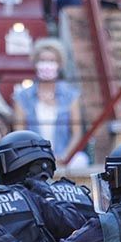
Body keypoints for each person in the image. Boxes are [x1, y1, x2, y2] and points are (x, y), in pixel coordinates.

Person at [11, 38, 85, 167]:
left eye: (52, 61)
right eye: (42, 60)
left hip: (63, 156)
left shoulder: (70, 95)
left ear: (60, 64)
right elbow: (19, 133)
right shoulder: (22, 96)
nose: (47, 65)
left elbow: (77, 133)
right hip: (32, 156)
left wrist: (64, 156)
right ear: (35, 63)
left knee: (81, 160)